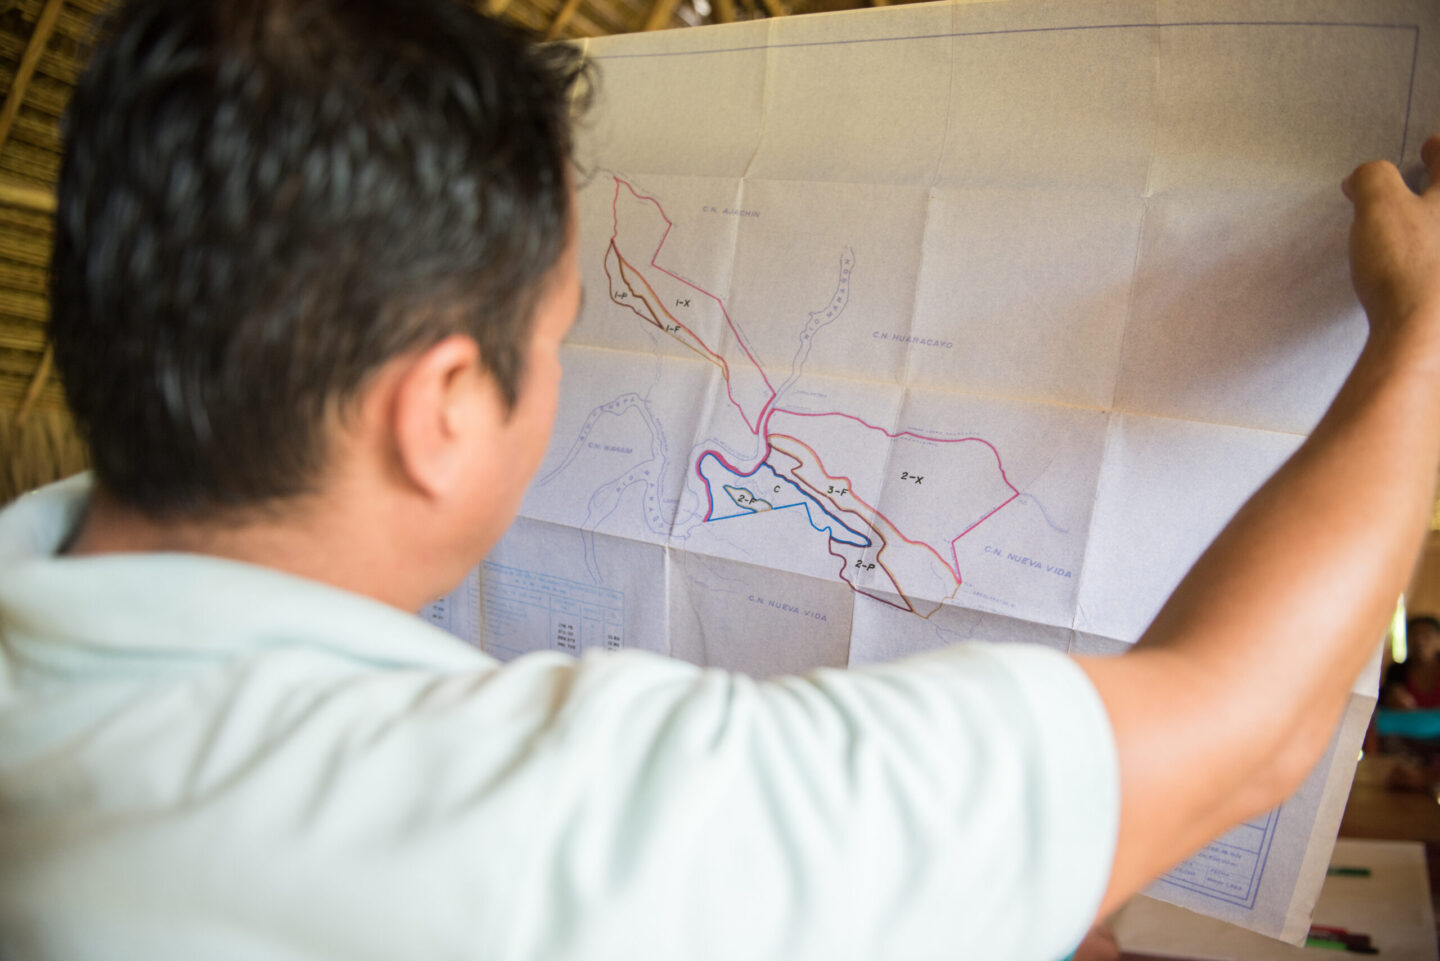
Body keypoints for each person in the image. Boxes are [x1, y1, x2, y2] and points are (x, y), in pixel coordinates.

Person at [0, 0, 1436, 958]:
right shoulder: (545, 819)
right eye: (561, 335)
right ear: (440, 407)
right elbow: (1240, 728)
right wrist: (1424, 343)